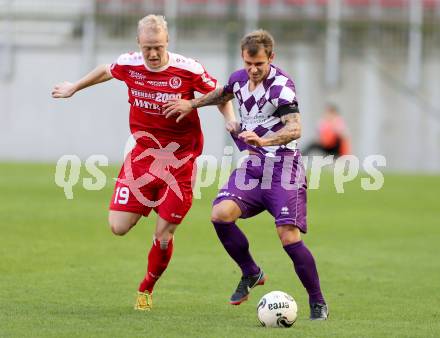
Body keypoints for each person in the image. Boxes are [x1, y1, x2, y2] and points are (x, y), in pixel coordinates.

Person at [51, 14, 235, 311]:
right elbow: (106, 70)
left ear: (168, 43)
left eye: (158, 47)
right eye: (148, 47)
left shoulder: (187, 69)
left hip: (180, 162)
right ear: (139, 43)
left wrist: (231, 120)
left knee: (163, 237)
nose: (153, 53)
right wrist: (75, 86)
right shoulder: (130, 63)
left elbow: (221, 94)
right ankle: (148, 202)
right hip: (142, 159)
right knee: (118, 226)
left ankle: (146, 289)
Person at [164, 29, 329, 320]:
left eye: (260, 65)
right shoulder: (240, 78)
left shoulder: (282, 87)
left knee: (287, 236)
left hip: (283, 167)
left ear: (271, 59)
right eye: (248, 64)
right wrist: (191, 104)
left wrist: (263, 140)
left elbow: (295, 128)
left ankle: (317, 301)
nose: (253, 70)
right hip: (254, 166)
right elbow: (224, 93)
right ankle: (251, 272)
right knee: (220, 214)